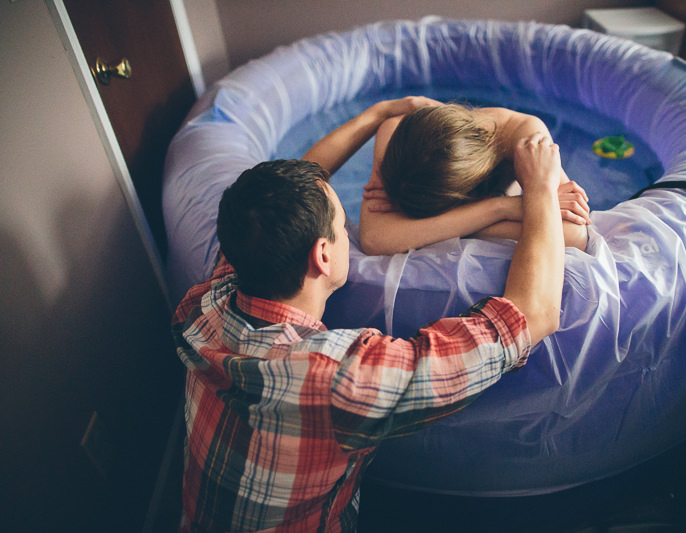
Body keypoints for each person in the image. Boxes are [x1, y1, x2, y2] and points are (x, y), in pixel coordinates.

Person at [172, 96, 567, 532]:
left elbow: (287, 189)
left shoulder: (209, 300)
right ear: (323, 256)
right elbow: (534, 315)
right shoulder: (341, 378)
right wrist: (540, 188)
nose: (353, 233)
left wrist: (378, 114)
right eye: (345, 227)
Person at [360, 101, 591, 256]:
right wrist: (502, 208)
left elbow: (574, 235)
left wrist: (427, 231)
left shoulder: (524, 136)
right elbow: (374, 239)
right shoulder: (397, 132)